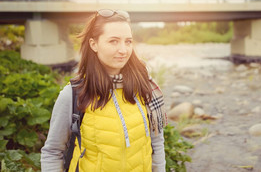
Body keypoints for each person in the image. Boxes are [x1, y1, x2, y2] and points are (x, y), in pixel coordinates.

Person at [41, 9, 167, 172]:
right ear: (94, 44)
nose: (123, 50)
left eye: (128, 41)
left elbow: (156, 143)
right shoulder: (74, 93)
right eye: (113, 41)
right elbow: (52, 152)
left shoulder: (144, 86)